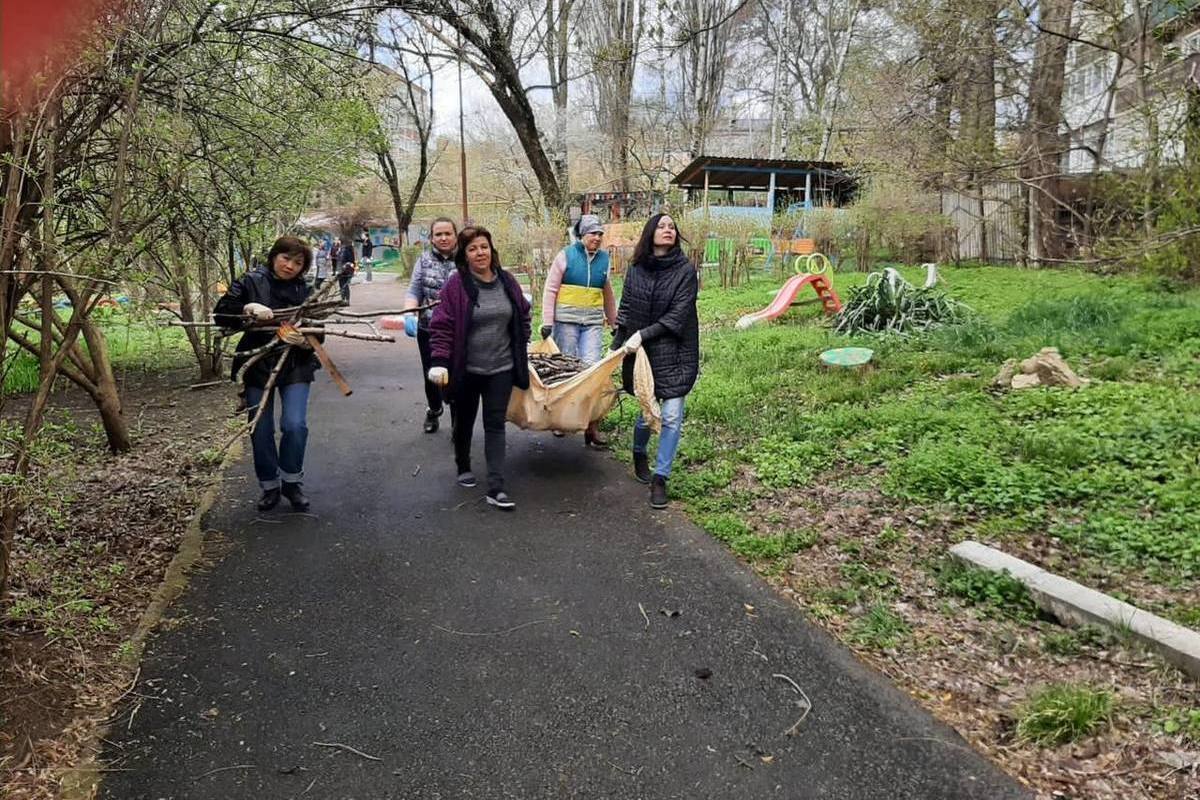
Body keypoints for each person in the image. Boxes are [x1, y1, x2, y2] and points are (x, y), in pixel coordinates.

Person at [214, 236, 323, 513]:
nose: (290, 266)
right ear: (274, 256)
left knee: (295, 425)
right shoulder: (251, 282)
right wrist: (246, 309)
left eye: (298, 262)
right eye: (286, 258)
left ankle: (291, 481)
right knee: (260, 428)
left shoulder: (306, 288)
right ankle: (269, 485)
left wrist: (306, 338)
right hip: (257, 360)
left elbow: (319, 329)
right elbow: (221, 315)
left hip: (296, 362)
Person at [427, 225, 531, 510]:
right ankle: (463, 464)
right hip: (466, 369)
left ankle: (496, 487)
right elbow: (442, 325)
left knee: (495, 425)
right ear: (465, 255)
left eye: (483, 246)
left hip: (502, 367)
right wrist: (438, 361)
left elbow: (522, 313)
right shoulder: (456, 286)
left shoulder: (507, 281)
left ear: (491, 249)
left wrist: (524, 341)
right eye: (472, 248)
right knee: (464, 421)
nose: (479, 252)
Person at [611, 213, 699, 510]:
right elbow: (625, 307)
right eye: (661, 226)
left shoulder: (686, 271)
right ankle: (639, 451)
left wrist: (641, 334)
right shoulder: (636, 268)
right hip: (642, 353)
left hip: (675, 350)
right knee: (648, 409)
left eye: (672, 227)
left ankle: (660, 478)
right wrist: (618, 344)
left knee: (671, 415)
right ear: (650, 233)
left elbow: (677, 316)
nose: (667, 230)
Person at [540, 214, 617, 447]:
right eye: (593, 233)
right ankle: (560, 420)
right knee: (566, 369)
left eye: (600, 234)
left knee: (592, 371)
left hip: (592, 324)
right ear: (582, 235)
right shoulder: (566, 256)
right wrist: (547, 321)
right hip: (566, 323)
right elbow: (550, 289)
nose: (597, 237)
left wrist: (614, 323)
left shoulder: (604, 259)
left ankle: (590, 426)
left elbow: (608, 294)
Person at [403, 217, 458, 433]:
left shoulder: (466, 260)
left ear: (455, 235)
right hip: (429, 329)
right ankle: (434, 410)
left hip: (459, 329)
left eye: (448, 233)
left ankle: (458, 422)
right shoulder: (423, 260)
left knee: (457, 375)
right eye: (438, 234)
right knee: (433, 375)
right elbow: (414, 290)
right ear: (432, 238)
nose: (443, 238)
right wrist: (410, 314)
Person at [336, 237, 356, 304]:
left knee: (345, 285)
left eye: (338, 240)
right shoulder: (340, 249)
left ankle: (347, 300)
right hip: (340, 269)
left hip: (346, 270)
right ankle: (342, 299)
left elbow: (351, 261)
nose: (337, 241)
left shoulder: (347, 249)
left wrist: (346, 265)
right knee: (341, 285)